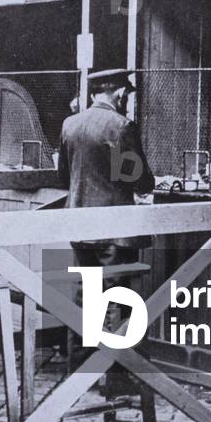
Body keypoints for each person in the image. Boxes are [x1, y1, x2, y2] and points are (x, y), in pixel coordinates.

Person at [57, 69, 155, 396]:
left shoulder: (70, 124)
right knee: (117, 301)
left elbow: (64, 176)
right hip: (114, 229)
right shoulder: (121, 127)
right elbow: (137, 179)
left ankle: (79, 372)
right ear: (118, 94)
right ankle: (115, 377)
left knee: (86, 298)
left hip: (79, 223)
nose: (127, 100)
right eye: (126, 94)